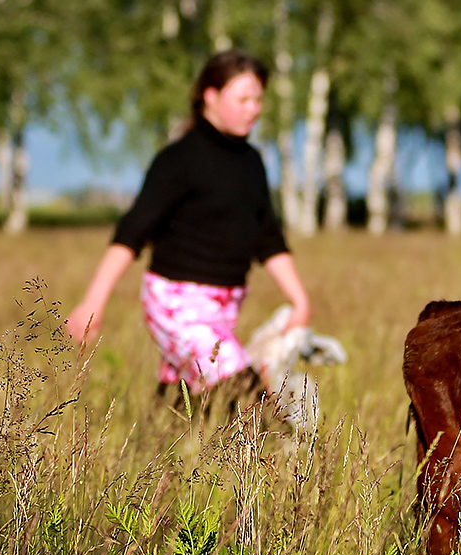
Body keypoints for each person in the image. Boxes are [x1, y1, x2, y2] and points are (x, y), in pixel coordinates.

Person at [66, 50, 311, 405]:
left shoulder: (252, 163)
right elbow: (132, 232)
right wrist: (94, 302)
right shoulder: (178, 160)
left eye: (258, 100)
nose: (254, 108)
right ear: (210, 96)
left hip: (224, 309)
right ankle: (273, 459)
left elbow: (268, 237)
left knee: (183, 403)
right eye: (243, 99)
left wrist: (300, 300)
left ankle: (149, 450)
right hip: (176, 304)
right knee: (247, 397)